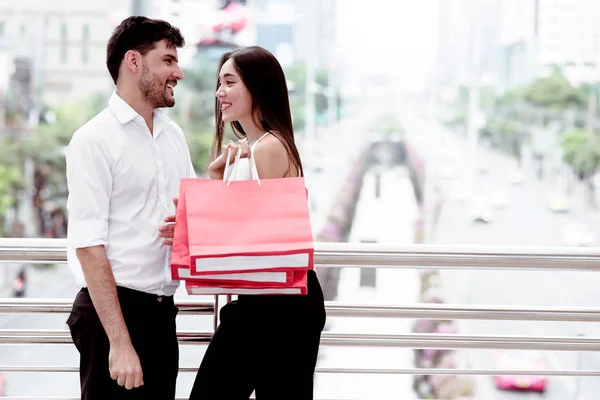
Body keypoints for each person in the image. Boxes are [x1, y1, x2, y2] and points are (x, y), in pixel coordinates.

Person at [65, 16, 194, 400]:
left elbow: (187, 214)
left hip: (161, 313)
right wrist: (119, 343)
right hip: (112, 317)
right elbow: (88, 245)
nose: (179, 73)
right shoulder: (93, 139)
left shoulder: (174, 136)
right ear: (133, 61)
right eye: (168, 60)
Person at [193, 46, 326, 399]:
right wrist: (216, 175)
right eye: (219, 82)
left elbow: (242, 237)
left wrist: (196, 219)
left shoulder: (267, 148)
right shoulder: (265, 144)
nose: (219, 92)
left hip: (273, 306)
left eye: (229, 81)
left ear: (257, 86)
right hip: (278, 301)